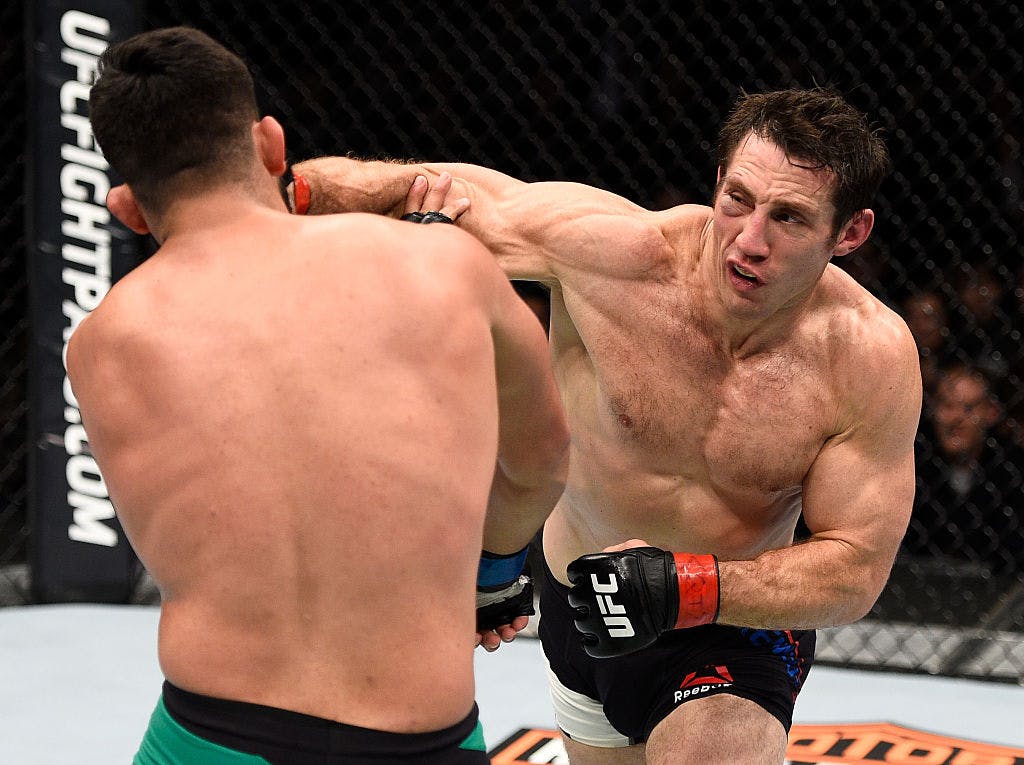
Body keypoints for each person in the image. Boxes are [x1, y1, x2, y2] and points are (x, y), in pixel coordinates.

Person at [288, 87, 923, 764]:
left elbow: (855, 569)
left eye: (789, 217)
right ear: (717, 181)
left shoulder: (867, 358)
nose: (750, 239)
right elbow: (406, 189)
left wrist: (687, 588)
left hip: (733, 623)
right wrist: (269, 194)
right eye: (738, 199)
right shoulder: (613, 254)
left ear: (850, 233)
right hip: (578, 611)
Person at [72, 27, 569, 764]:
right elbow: (542, 458)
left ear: (129, 209)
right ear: (272, 143)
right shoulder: (442, 265)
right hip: (417, 739)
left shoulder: (101, 344)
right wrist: (494, 576)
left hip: (207, 734)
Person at [907, 363, 1023, 577]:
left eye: (969, 408)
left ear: (992, 412)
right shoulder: (911, 464)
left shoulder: (1013, 472)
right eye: (947, 405)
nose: (956, 418)